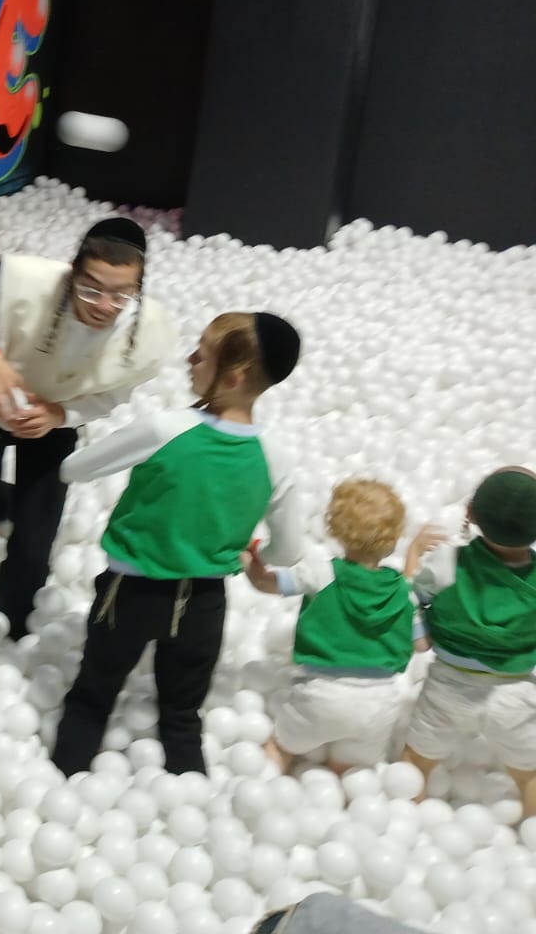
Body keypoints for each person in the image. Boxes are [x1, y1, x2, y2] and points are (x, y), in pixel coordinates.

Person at [50, 312, 305, 777]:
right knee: (183, 716)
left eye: (201, 355)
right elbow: (288, 551)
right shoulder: (277, 457)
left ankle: (65, 780)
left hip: (128, 594)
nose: (189, 359)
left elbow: (74, 469)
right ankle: (190, 795)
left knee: (92, 698)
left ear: (233, 376)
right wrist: (256, 557)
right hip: (203, 604)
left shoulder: (166, 428)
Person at [0, 216, 175, 637]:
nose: (104, 305)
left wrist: (59, 415)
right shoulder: (19, 281)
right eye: (91, 289)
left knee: (34, 542)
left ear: (138, 286)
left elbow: (114, 394)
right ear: (72, 273)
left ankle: (12, 628)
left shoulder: (148, 333)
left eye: (121, 294)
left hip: (53, 422)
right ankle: (2, 503)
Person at [244, 479, 443, 775]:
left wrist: (249, 557)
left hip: (320, 696)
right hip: (377, 706)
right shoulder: (404, 593)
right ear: (393, 539)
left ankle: (266, 784)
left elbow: (264, 583)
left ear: (335, 530)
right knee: (349, 773)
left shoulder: (322, 573)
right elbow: (422, 645)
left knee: (280, 747)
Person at [402, 466, 536, 819]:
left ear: (471, 514)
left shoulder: (446, 561)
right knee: (530, 774)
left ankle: (403, 823)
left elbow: (411, 594)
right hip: (515, 693)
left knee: (414, 763)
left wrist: (413, 552)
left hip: (447, 686)